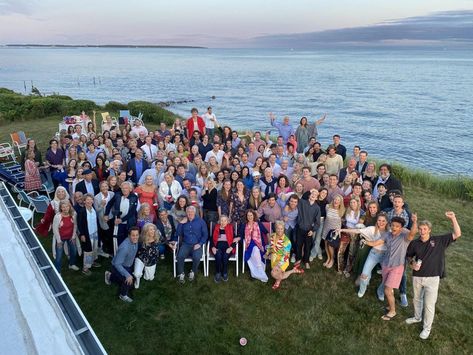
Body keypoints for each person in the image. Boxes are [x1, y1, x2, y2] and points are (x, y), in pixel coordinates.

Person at [405, 211, 461, 340]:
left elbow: (457, 234)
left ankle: (426, 328)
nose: (422, 231)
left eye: (425, 229)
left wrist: (453, 218)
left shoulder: (439, 240)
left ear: (429, 230)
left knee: (429, 304)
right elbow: (408, 256)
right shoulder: (415, 243)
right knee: (417, 299)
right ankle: (417, 317)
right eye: (420, 229)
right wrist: (412, 263)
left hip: (433, 278)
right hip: (417, 276)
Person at [365, 214, 418, 321]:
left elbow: (413, 233)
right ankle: (390, 304)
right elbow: (376, 243)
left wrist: (415, 221)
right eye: (393, 225)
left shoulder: (404, 236)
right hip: (386, 265)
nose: (394, 227)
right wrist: (365, 242)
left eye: (397, 226)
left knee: (388, 290)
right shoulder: (387, 235)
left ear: (401, 228)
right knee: (388, 289)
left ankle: (392, 311)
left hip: (397, 267)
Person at [339, 212, 389, 298]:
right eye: (379, 220)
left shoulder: (390, 232)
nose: (381, 222)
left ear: (387, 222)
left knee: (387, 276)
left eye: (383, 221)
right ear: (376, 221)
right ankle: (362, 289)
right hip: (374, 254)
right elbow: (357, 231)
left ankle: (380, 291)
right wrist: (342, 230)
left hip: (385, 256)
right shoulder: (372, 229)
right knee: (364, 274)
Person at [105, 227, 139, 303]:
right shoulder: (124, 248)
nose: (135, 237)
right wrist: (127, 275)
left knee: (130, 284)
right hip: (117, 266)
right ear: (129, 236)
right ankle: (123, 295)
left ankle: (109, 276)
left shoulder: (135, 241)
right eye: (133, 235)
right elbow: (117, 264)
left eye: (137, 235)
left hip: (127, 264)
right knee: (128, 281)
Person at [266, 220, 304, 289]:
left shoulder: (287, 241)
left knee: (275, 274)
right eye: (278, 228)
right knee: (276, 273)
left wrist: (278, 265)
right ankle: (293, 270)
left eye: (281, 229)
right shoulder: (272, 236)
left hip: (283, 260)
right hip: (274, 258)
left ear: (284, 229)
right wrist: (268, 253)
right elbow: (270, 245)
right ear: (275, 228)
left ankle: (278, 281)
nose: (279, 230)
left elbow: (286, 256)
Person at [175, 206, 208, 283]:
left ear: (195, 212)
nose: (190, 213)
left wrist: (200, 244)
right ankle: (181, 273)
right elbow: (178, 233)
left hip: (197, 244)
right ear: (186, 213)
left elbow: (205, 235)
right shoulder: (184, 221)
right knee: (180, 256)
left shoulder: (200, 221)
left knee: (197, 257)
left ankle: (193, 271)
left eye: (192, 212)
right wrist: (181, 223)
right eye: (188, 212)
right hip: (186, 244)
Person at [105, 181, 139, 246]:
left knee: (129, 238)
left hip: (129, 222)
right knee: (118, 238)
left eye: (126, 188)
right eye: (123, 188)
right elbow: (109, 204)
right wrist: (106, 214)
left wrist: (122, 220)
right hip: (118, 222)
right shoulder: (117, 195)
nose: (124, 190)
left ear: (130, 189)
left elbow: (132, 212)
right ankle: (119, 253)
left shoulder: (134, 197)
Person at [239, 210, 269, 282]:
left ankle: (258, 271)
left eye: (251, 215)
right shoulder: (244, 224)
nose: (250, 217)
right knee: (255, 249)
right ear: (246, 216)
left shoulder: (258, 223)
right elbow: (240, 235)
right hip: (248, 244)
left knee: (256, 249)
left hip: (259, 243)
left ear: (254, 216)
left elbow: (266, 232)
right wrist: (238, 238)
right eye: (248, 215)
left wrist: (269, 242)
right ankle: (259, 270)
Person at [295, 189, 321, 270]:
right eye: (312, 193)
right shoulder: (302, 202)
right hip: (300, 227)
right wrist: (310, 190)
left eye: (315, 195)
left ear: (317, 198)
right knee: (298, 244)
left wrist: (313, 230)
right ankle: (298, 259)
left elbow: (317, 222)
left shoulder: (317, 208)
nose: (313, 195)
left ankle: (306, 261)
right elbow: (300, 197)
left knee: (307, 246)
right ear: (309, 195)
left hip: (309, 230)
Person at [52, 201, 80, 273]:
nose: (65, 208)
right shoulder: (58, 216)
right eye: (63, 207)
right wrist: (58, 241)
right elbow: (55, 228)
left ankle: (72, 264)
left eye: (67, 206)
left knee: (74, 251)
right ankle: (58, 272)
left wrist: (73, 236)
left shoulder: (73, 215)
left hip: (70, 237)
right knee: (59, 256)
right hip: (60, 238)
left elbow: (75, 226)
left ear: (70, 207)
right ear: (60, 208)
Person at [211, 215, 240, 282]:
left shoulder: (230, 227)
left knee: (225, 256)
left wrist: (231, 247)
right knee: (218, 255)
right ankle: (218, 272)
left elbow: (235, 239)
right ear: (219, 221)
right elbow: (211, 238)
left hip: (228, 247)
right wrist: (213, 247)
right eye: (221, 220)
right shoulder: (216, 227)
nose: (223, 222)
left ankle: (224, 272)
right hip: (217, 247)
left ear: (227, 222)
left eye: (225, 220)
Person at [77, 194, 100, 276]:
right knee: (88, 251)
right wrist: (82, 235)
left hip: (95, 233)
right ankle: (85, 268)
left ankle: (92, 261)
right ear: (84, 201)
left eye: (91, 199)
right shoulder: (82, 211)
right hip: (87, 234)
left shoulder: (93, 209)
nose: (90, 201)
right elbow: (79, 224)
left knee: (94, 248)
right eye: (87, 200)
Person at [133, 223, 160, 288]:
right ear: (146, 231)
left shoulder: (157, 236)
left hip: (152, 260)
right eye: (150, 230)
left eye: (153, 229)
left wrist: (171, 245)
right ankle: (137, 281)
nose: (153, 231)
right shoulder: (141, 239)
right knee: (137, 274)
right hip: (141, 258)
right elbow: (134, 247)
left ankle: (146, 271)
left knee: (149, 278)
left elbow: (164, 240)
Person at [321, 194, 345, 269]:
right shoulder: (328, 207)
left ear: (340, 202)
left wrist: (339, 232)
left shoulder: (342, 211)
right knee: (326, 244)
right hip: (326, 228)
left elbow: (342, 221)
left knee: (330, 245)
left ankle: (332, 259)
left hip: (334, 231)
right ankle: (328, 258)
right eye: (335, 199)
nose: (336, 201)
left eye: (338, 200)